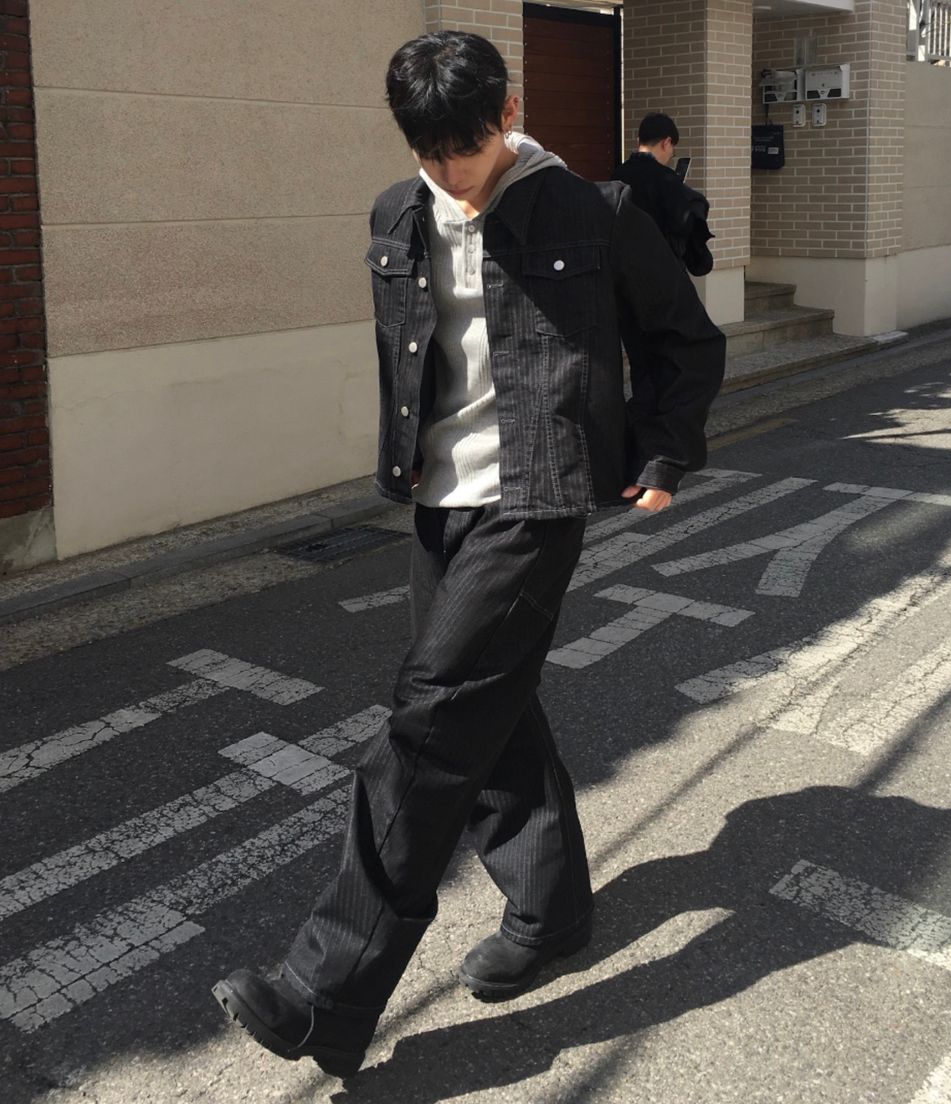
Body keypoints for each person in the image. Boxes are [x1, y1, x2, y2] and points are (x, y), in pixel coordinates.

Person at [212, 31, 725, 1079]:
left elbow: (686, 338)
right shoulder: (395, 214)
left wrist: (663, 447)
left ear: (510, 111)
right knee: (489, 711)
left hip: (537, 497)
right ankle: (551, 910)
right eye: (429, 151)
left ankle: (325, 991)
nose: (451, 170)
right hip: (437, 501)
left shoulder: (593, 213)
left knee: (432, 719)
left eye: (468, 145)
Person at [613, 112, 715, 277]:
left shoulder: (618, 174)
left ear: (639, 141)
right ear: (666, 143)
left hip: (623, 266)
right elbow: (682, 224)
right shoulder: (666, 178)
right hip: (659, 268)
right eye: (672, 149)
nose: (670, 155)